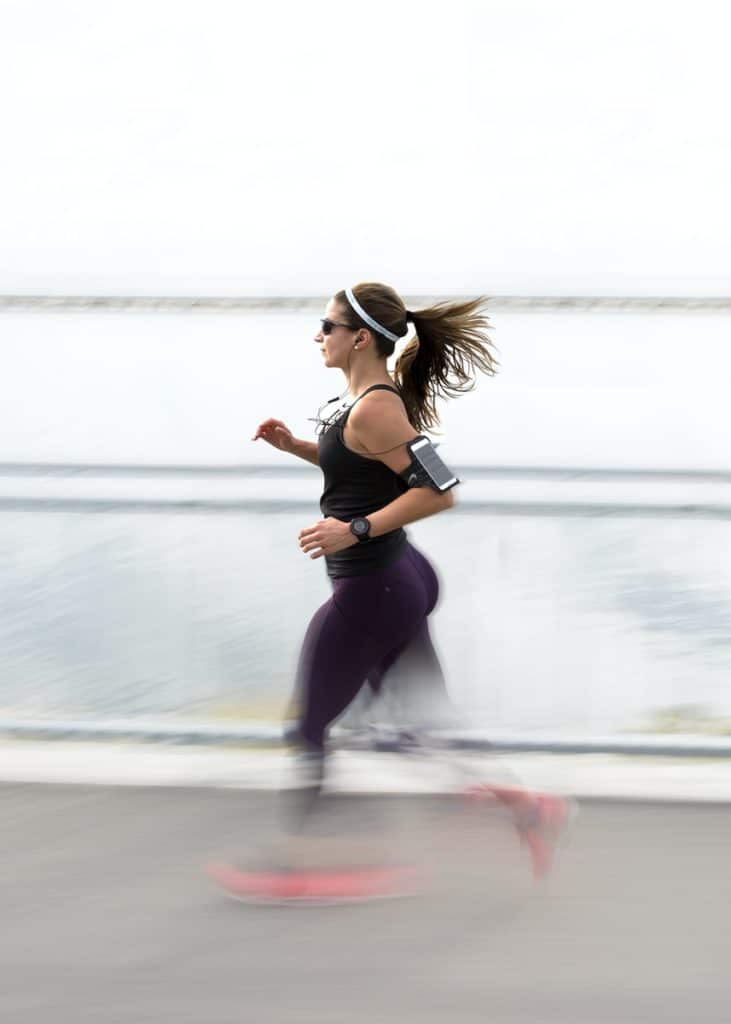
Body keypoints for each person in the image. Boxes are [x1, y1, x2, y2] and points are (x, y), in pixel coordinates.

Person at [209, 283, 567, 902]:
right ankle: (528, 807)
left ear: (360, 338)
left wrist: (356, 529)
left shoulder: (377, 407)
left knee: (311, 728)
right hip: (397, 580)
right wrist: (294, 445)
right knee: (419, 726)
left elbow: (440, 490)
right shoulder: (361, 403)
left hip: (375, 587)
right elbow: (361, 465)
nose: (317, 335)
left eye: (326, 325)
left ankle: (297, 868)